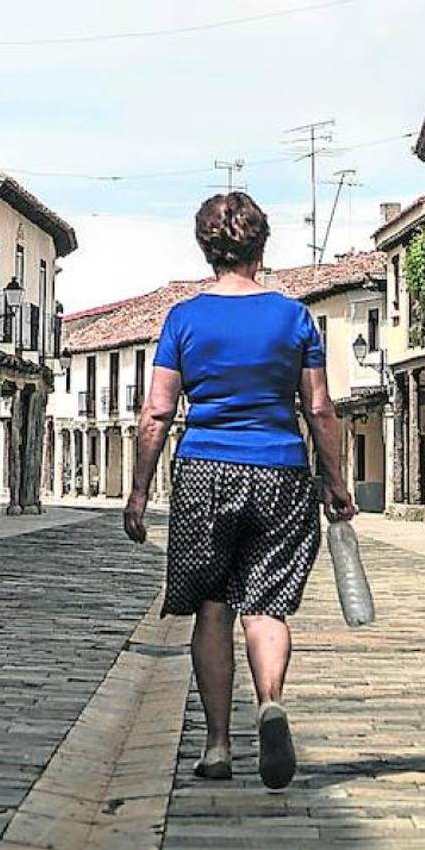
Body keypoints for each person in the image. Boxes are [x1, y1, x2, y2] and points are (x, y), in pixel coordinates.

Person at [122, 191, 357, 789]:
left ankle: (219, 744)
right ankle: (271, 702)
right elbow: (320, 408)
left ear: (206, 248)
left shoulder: (183, 319)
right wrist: (335, 481)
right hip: (279, 469)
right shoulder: (294, 318)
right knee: (267, 603)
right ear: (262, 246)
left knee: (213, 605)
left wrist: (140, 492)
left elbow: (156, 412)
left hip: (204, 471)